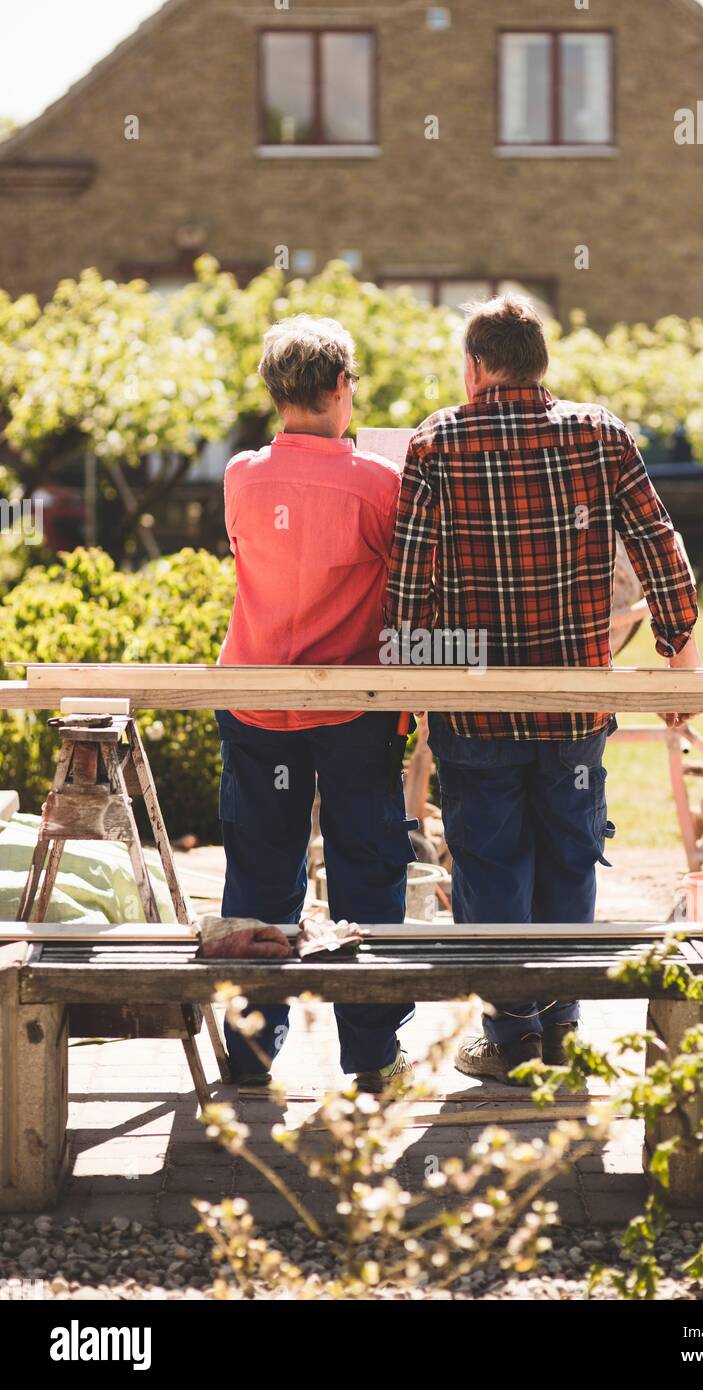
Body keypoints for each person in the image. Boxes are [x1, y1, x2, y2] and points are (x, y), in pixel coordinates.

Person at [385, 294, 700, 1084]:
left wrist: (408, 684)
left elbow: (407, 587)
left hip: (476, 709)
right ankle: (564, 1024)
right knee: (570, 855)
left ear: (474, 368)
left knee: (489, 865)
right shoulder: (601, 435)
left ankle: (512, 1031)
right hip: (574, 706)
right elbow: (661, 547)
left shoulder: (436, 443)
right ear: (541, 365)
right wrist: (679, 655)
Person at [216, 314, 416, 1092]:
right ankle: (370, 1058)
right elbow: (402, 578)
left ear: (275, 393)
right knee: (368, 871)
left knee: (259, 872)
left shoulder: (241, 476)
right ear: (341, 388)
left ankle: (251, 1054)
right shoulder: (379, 482)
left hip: (255, 698)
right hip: (353, 707)